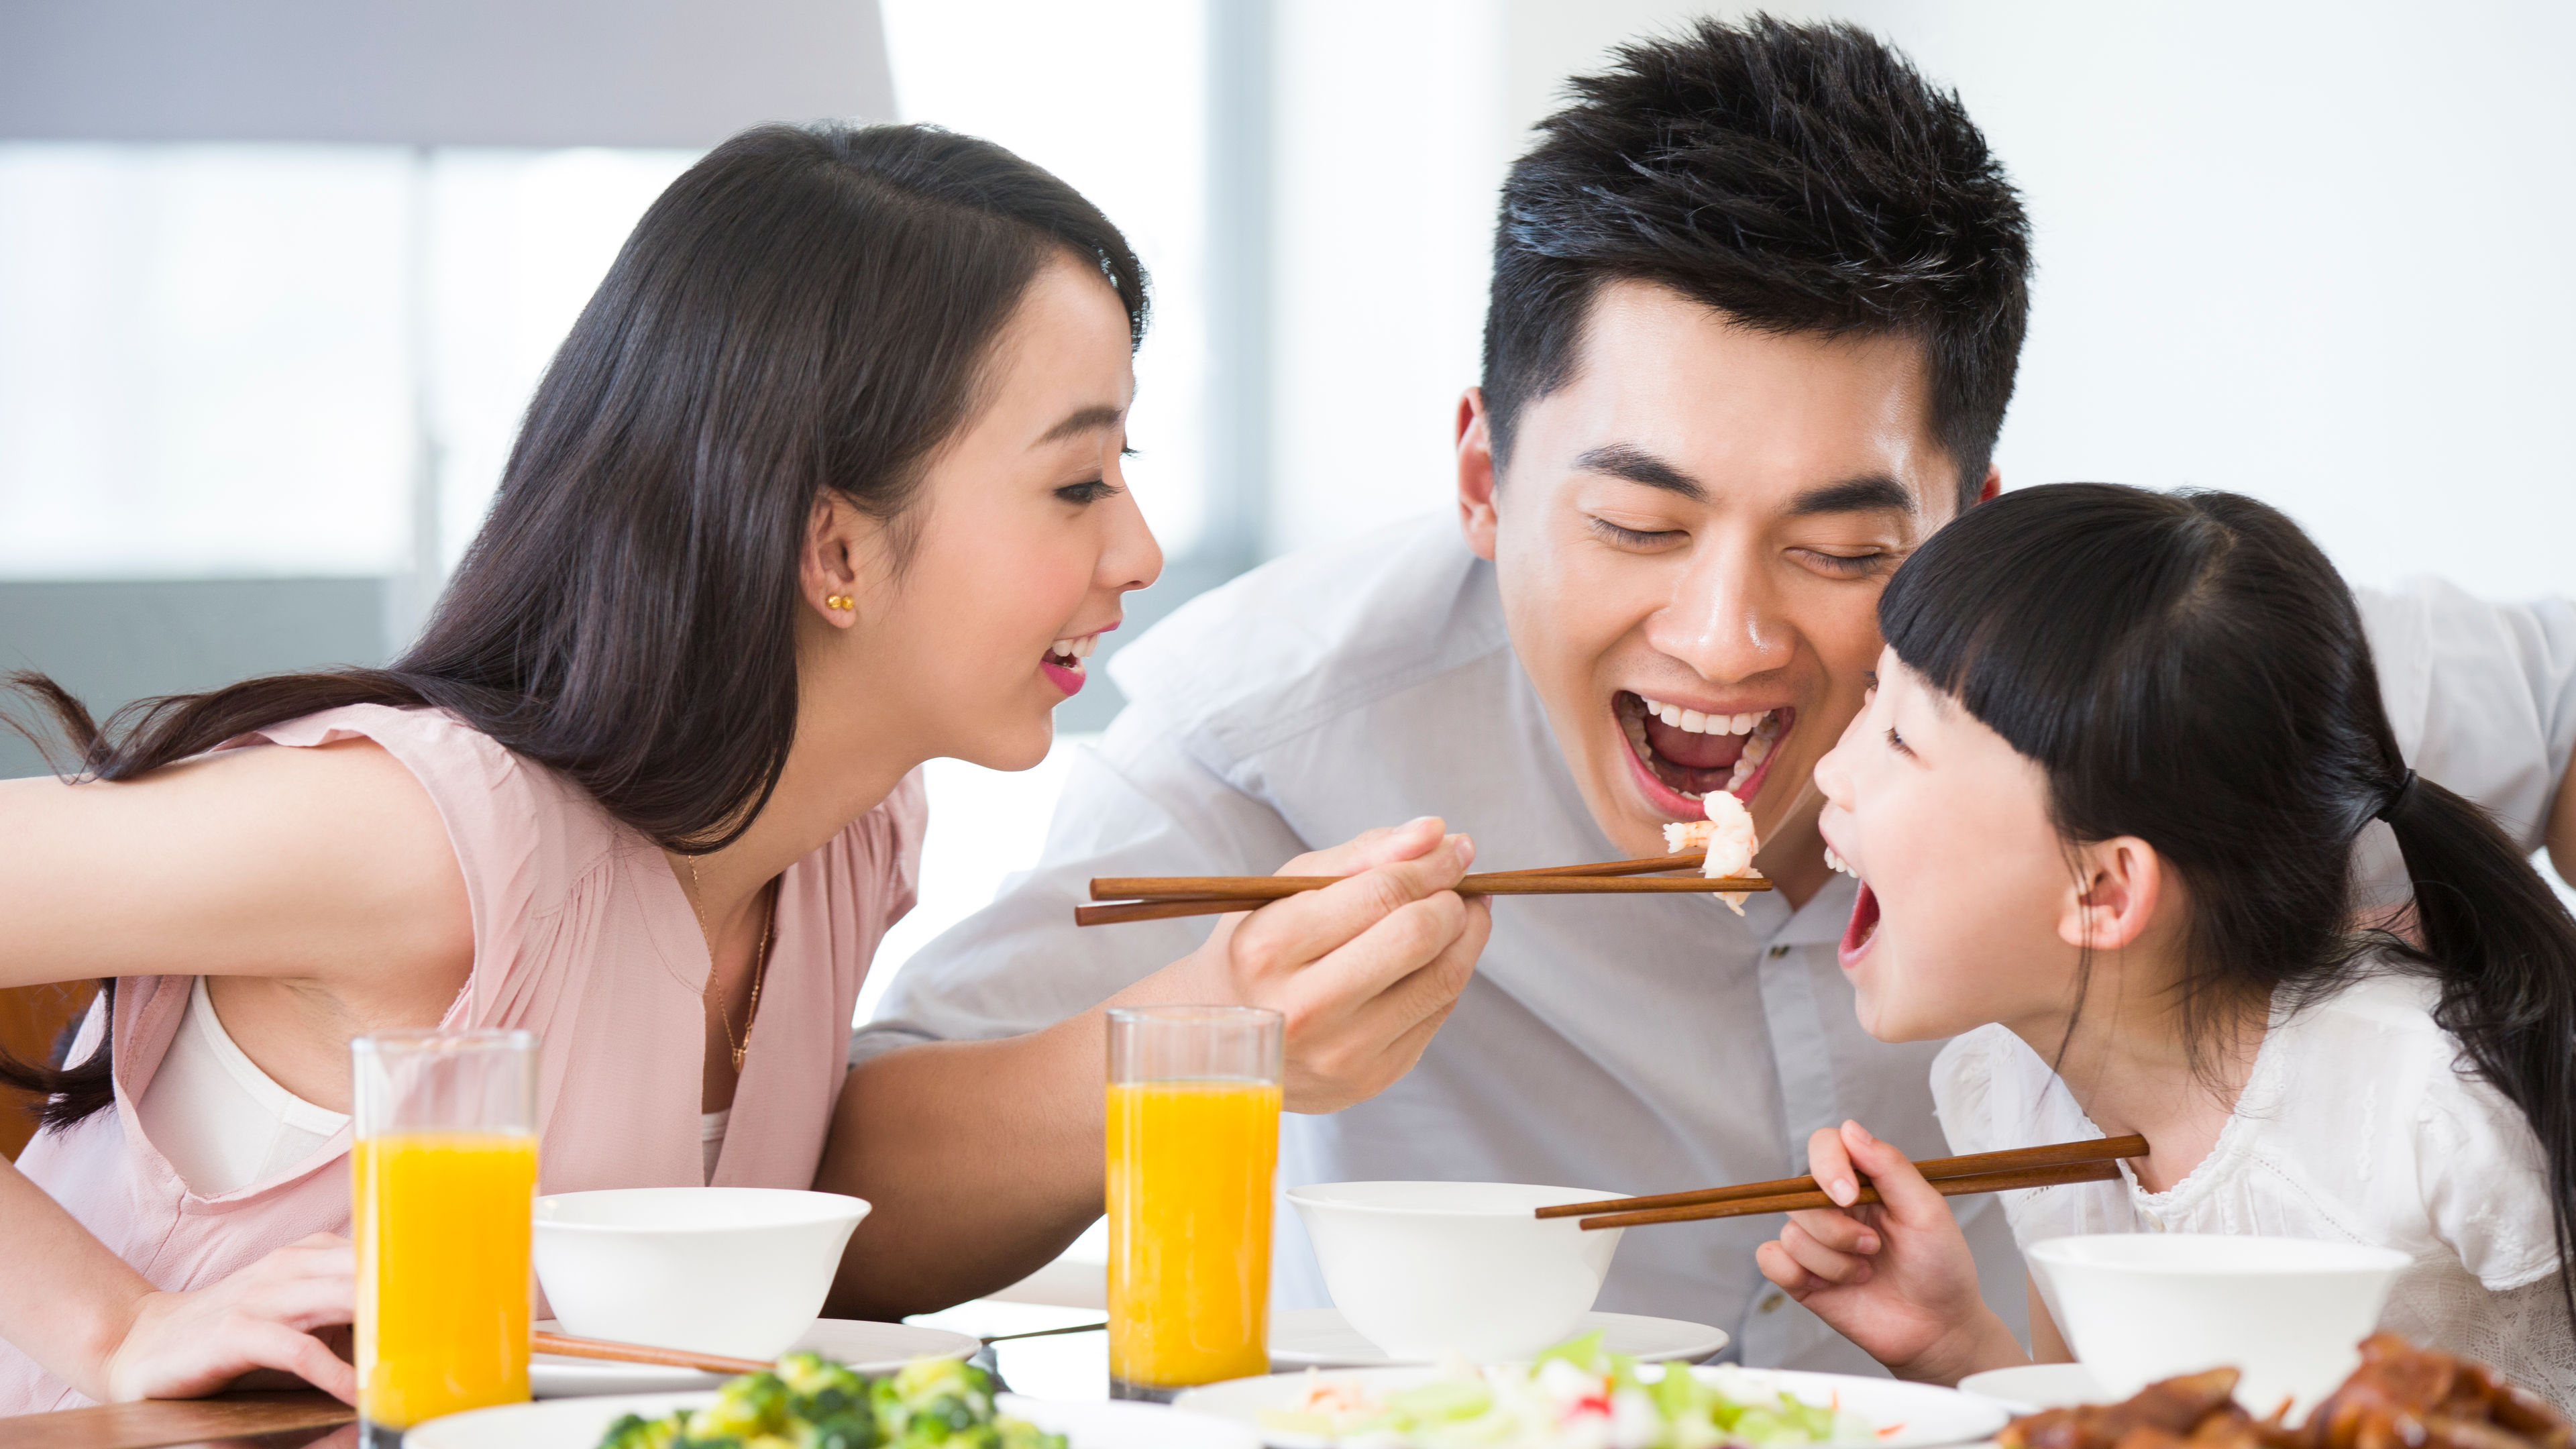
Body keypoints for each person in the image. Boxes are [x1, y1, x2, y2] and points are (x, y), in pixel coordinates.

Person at [824, 17, 2576, 1372]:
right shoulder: (1277, 724)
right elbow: (862, 1211)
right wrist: (1216, 1032)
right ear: (1483, 477)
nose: (1726, 640)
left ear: (1971, 517)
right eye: (1638, 520)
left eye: (1839, 546)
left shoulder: (2160, 677)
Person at [0, 123, 1485, 1413]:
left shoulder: (847, 840)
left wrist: (1227, 1021)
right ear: (835, 547)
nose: (1139, 555)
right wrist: (117, 1325)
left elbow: (836, 1230)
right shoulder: (419, 839)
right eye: (1077, 483)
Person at [1758, 484, 2576, 1406]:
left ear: (2104, 891)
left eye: (1901, 739)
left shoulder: (2431, 1108)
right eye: (1875, 697)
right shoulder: (2010, 1093)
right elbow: (2120, 1427)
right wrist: (1954, 1346)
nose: (1832, 770)